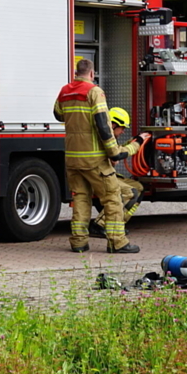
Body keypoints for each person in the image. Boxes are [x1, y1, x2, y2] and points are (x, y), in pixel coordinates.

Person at [53, 59, 139, 254]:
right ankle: (117, 242)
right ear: (92, 74)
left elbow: (58, 114)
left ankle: (79, 242)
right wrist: (113, 152)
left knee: (81, 199)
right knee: (112, 197)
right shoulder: (94, 92)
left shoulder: (65, 91)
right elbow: (103, 124)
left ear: (77, 72)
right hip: (94, 159)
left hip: (73, 159)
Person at [89, 106, 147, 239]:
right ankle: (100, 225)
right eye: (122, 127)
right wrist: (138, 142)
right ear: (113, 124)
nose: (123, 131)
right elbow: (117, 155)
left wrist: (132, 141)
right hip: (98, 175)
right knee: (129, 192)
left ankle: (117, 225)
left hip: (104, 173)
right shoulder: (104, 136)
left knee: (139, 188)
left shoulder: (108, 135)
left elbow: (116, 151)